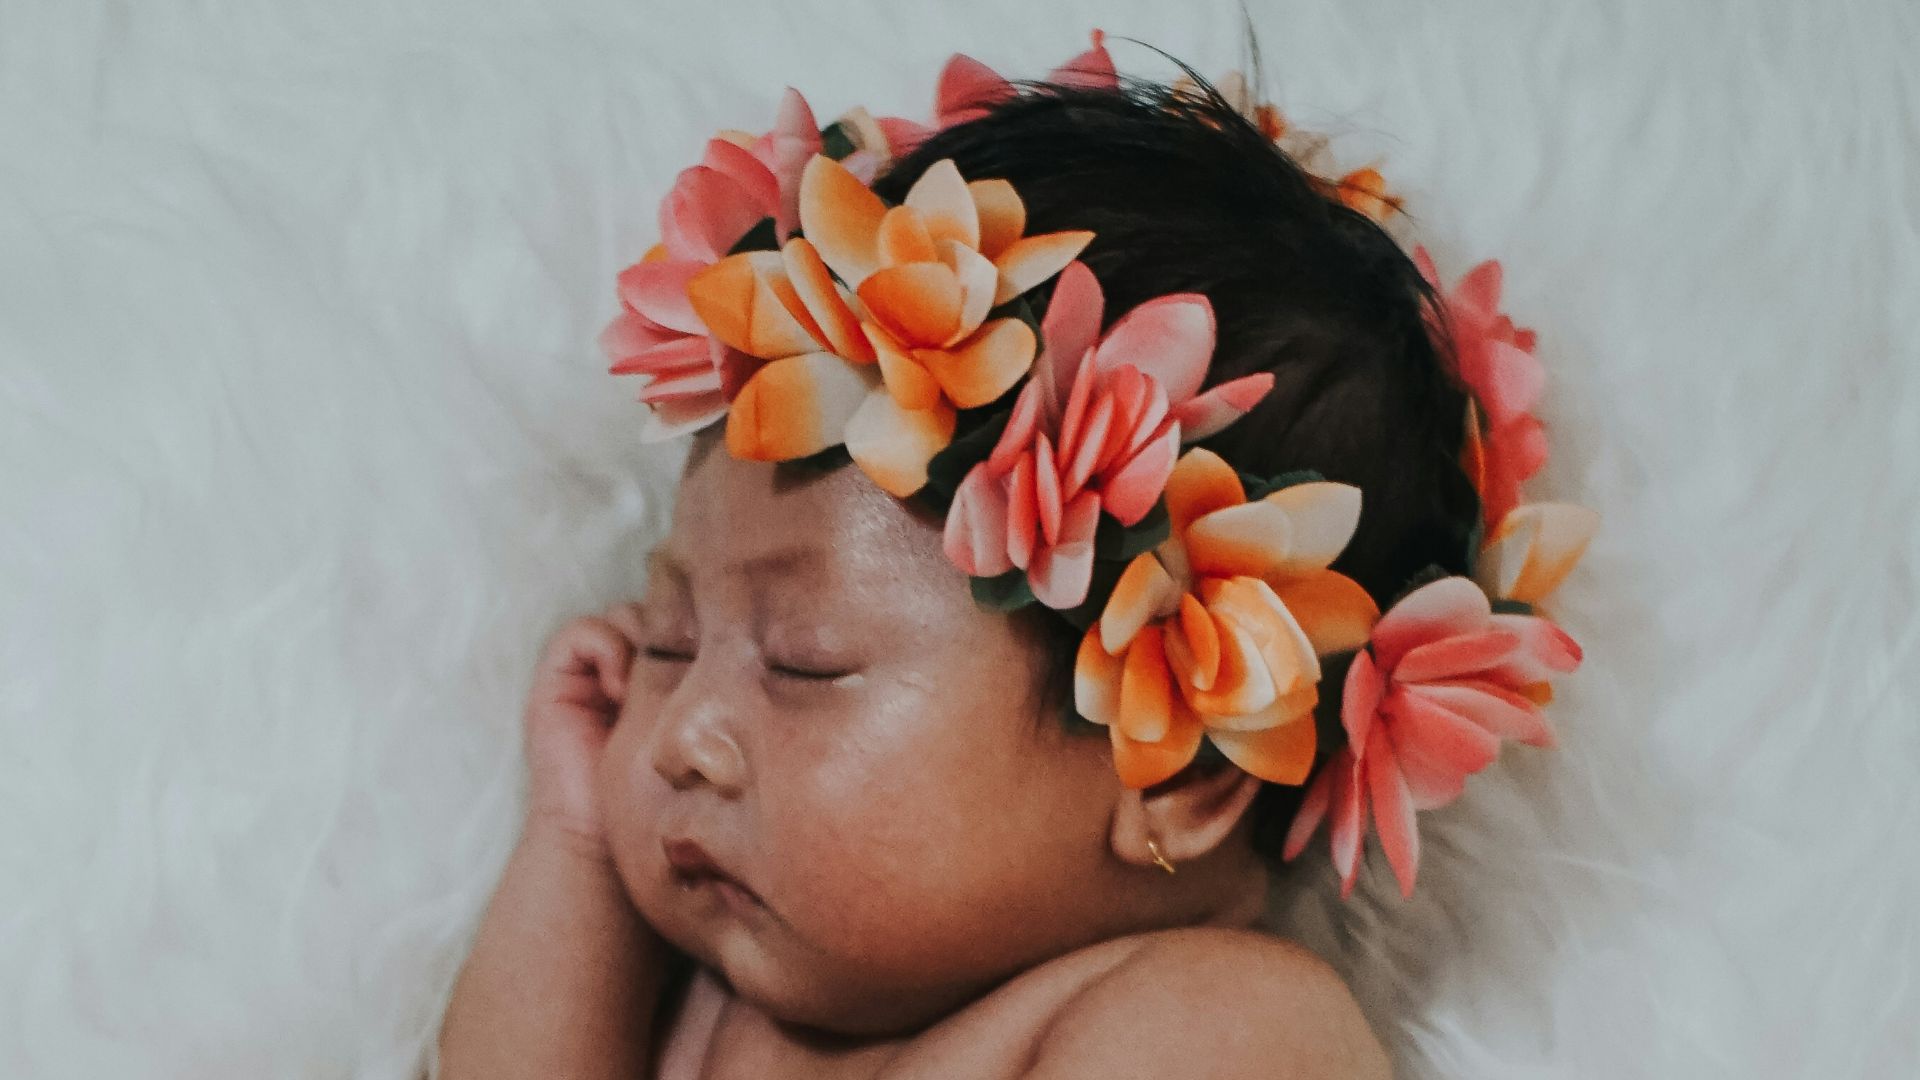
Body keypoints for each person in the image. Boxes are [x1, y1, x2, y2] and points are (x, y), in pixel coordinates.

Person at [437, 38, 1592, 1079]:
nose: (682, 733)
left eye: (804, 662)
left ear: (1176, 771)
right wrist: (577, 840)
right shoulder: (706, 985)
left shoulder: (1210, 1022)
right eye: (671, 637)